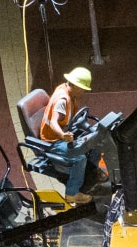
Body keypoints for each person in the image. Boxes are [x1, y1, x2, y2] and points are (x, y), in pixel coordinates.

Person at [39, 66, 102, 206]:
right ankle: (72, 193)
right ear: (75, 85)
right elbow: (54, 122)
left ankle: (92, 172)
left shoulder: (67, 90)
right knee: (79, 158)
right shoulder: (63, 99)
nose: (83, 92)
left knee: (96, 141)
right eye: (82, 88)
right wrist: (63, 135)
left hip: (66, 132)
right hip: (53, 141)